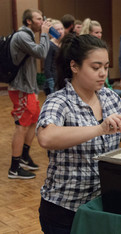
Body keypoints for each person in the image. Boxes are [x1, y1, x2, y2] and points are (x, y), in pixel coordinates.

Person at [37, 34, 121, 233]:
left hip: (101, 205)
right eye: (95, 67)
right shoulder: (59, 101)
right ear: (74, 66)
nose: (102, 74)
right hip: (64, 209)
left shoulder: (109, 97)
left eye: (106, 67)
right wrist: (100, 129)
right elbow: (46, 137)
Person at [8, 9, 51, 179]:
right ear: (28, 21)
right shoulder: (21, 36)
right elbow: (41, 53)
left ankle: (24, 157)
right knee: (22, 126)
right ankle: (14, 167)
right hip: (21, 89)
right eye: (39, 19)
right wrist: (45, 34)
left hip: (30, 88)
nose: (42, 22)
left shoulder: (28, 35)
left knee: (34, 121)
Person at [44, 19, 65, 95]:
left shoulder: (64, 44)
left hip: (62, 80)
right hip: (53, 81)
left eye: (61, 29)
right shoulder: (50, 45)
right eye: (57, 29)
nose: (60, 31)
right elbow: (47, 67)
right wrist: (51, 82)